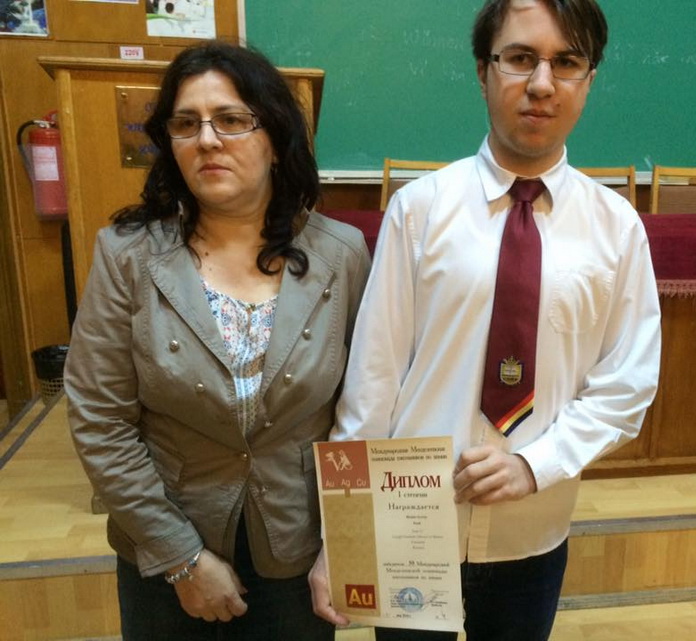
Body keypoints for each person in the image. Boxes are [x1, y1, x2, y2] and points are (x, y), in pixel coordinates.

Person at [309, 1, 661, 639]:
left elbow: (627, 385)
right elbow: (372, 381)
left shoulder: (617, 229)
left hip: (534, 527)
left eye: (566, 63)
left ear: (588, 80)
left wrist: (536, 463)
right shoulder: (419, 210)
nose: (542, 83)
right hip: (413, 522)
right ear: (483, 71)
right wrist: (347, 530)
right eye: (520, 58)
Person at [65, 41, 370, 640]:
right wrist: (180, 557)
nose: (207, 140)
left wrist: (346, 541)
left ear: (275, 138)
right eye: (186, 124)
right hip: (166, 543)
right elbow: (100, 418)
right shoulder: (126, 256)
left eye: (231, 120)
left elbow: (364, 408)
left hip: (299, 544)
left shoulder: (342, 254)